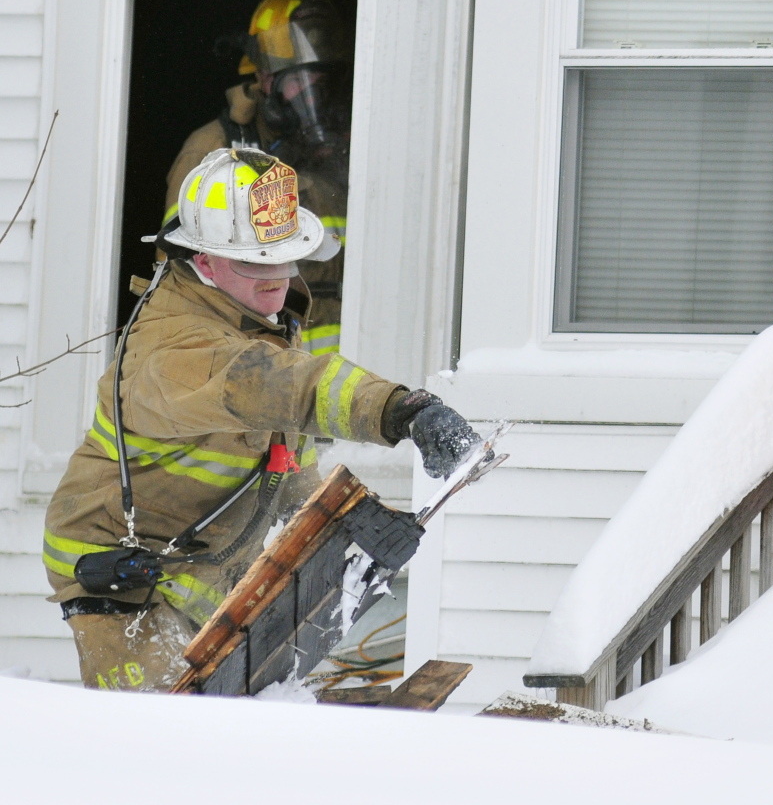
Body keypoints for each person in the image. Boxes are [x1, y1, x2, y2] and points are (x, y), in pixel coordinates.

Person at [44, 148, 483, 692]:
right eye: (255, 261)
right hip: (123, 578)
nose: (277, 276)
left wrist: (330, 530)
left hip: (200, 567)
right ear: (203, 261)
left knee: (233, 717)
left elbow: (279, 461)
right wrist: (397, 410)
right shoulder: (177, 345)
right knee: (162, 730)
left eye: (286, 255)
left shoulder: (256, 318)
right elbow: (273, 384)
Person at [163, 0, 351, 357]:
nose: (312, 100)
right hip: (255, 365)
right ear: (264, 77)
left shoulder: (347, 155)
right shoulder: (213, 152)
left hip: (342, 371)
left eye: (322, 85)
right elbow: (178, 276)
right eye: (297, 81)